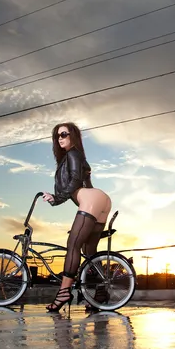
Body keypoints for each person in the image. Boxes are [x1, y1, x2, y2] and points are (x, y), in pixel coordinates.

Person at [42, 122, 112, 312]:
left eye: (64, 134)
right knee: (90, 254)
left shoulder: (73, 153)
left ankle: (64, 292)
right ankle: (100, 293)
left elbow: (74, 180)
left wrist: (56, 198)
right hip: (102, 201)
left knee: (73, 245)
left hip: (90, 199)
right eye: (57, 136)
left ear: (73, 136)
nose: (60, 138)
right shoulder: (77, 156)